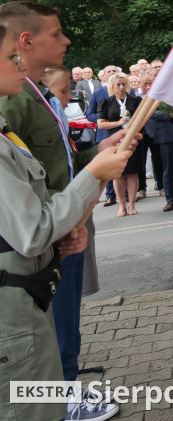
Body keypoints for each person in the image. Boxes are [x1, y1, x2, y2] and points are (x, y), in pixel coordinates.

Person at [0, 23, 133, 421]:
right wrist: (94, 174)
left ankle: (66, 390)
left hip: (39, 268)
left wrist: (57, 241)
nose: (18, 64)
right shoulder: (16, 107)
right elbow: (29, 230)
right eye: (10, 57)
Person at [97, 72, 145, 217]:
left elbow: (142, 119)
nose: (121, 87)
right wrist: (118, 123)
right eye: (118, 84)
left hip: (132, 140)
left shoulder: (135, 100)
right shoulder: (106, 102)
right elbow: (101, 124)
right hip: (115, 141)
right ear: (112, 86)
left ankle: (131, 204)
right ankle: (121, 205)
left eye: (124, 84)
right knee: (118, 174)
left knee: (132, 173)